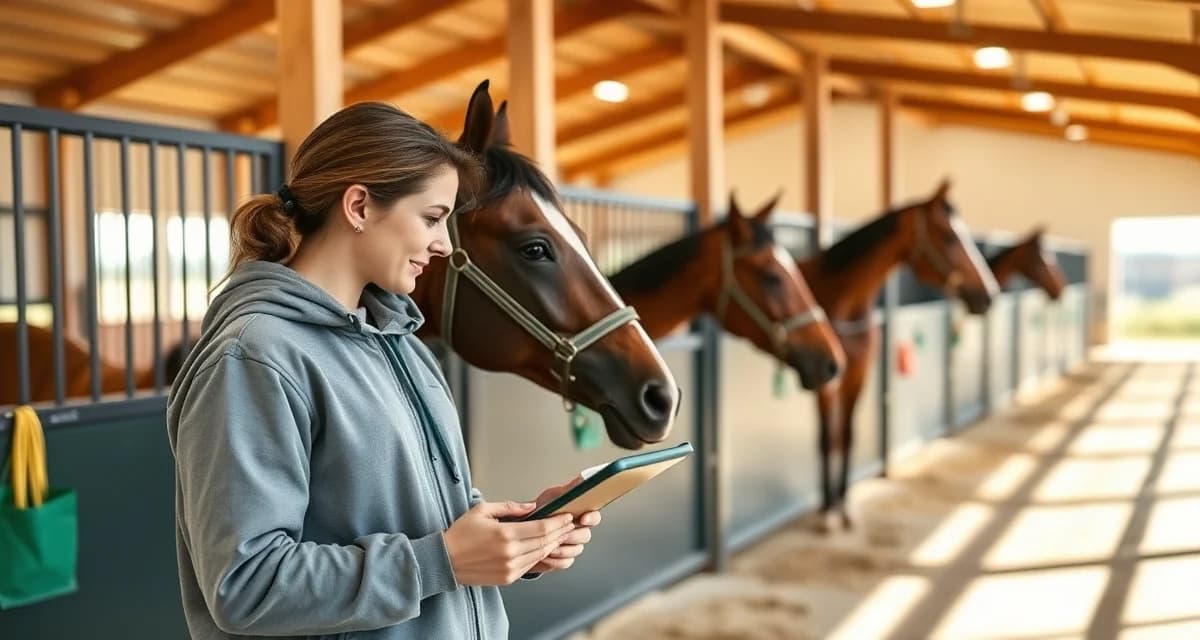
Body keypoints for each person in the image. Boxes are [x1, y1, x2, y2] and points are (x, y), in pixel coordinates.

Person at [167, 102, 599, 640]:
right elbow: (246, 585)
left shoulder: (405, 348)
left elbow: (430, 525)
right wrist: (440, 561)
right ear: (359, 206)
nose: (444, 244)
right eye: (432, 218)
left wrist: (518, 539)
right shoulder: (254, 358)